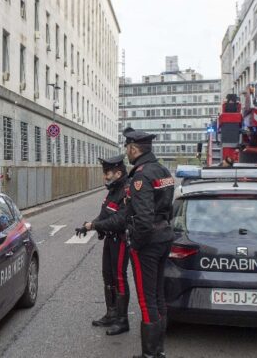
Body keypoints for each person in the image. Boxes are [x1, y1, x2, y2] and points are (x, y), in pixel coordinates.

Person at [83, 128, 175, 358]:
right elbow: (167, 209)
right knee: (158, 297)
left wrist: (135, 243)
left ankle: (150, 354)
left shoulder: (141, 176)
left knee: (147, 300)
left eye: (127, 148)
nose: (127, 152)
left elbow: (142, 219)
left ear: (134, 148)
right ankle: (158, 351)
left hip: (149, 243)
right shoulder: (162, 170)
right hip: (164, 236)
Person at [77, 155, 131, 336]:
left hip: (121, 240)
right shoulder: (114, 190)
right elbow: (104, 215)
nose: (105, 177)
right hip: (109, 240)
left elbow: (119, 221)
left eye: (107, 173)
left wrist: (95, 226)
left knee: (119, 278)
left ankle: (122, 320)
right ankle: (111, 314)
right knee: (108, 277)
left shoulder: (126, 190)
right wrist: (88, 225)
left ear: (118, 172)